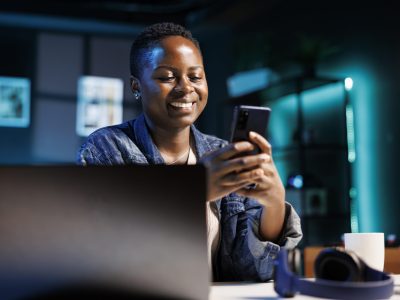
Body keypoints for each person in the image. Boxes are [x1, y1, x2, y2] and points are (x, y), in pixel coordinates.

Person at [77, 22, 302, 282]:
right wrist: (192, 189)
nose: (186, 88)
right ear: (136, 86)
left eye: (195, 77)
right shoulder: (105, 149)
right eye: (167, 77)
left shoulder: (221, 153)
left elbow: (253, 270)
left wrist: (273, 204)